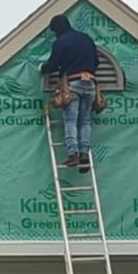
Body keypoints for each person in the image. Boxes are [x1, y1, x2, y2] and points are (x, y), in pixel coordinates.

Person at [40, 13, 99, 173]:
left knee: (71, 120)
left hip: (73, 83)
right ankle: (84, 153)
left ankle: (73, 153)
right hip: (91, 83)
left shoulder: (60, 42)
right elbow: (96, 62)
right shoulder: (86, 38)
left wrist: (42, 68)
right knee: (86, 120)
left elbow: (53, 65)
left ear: (57, 29)